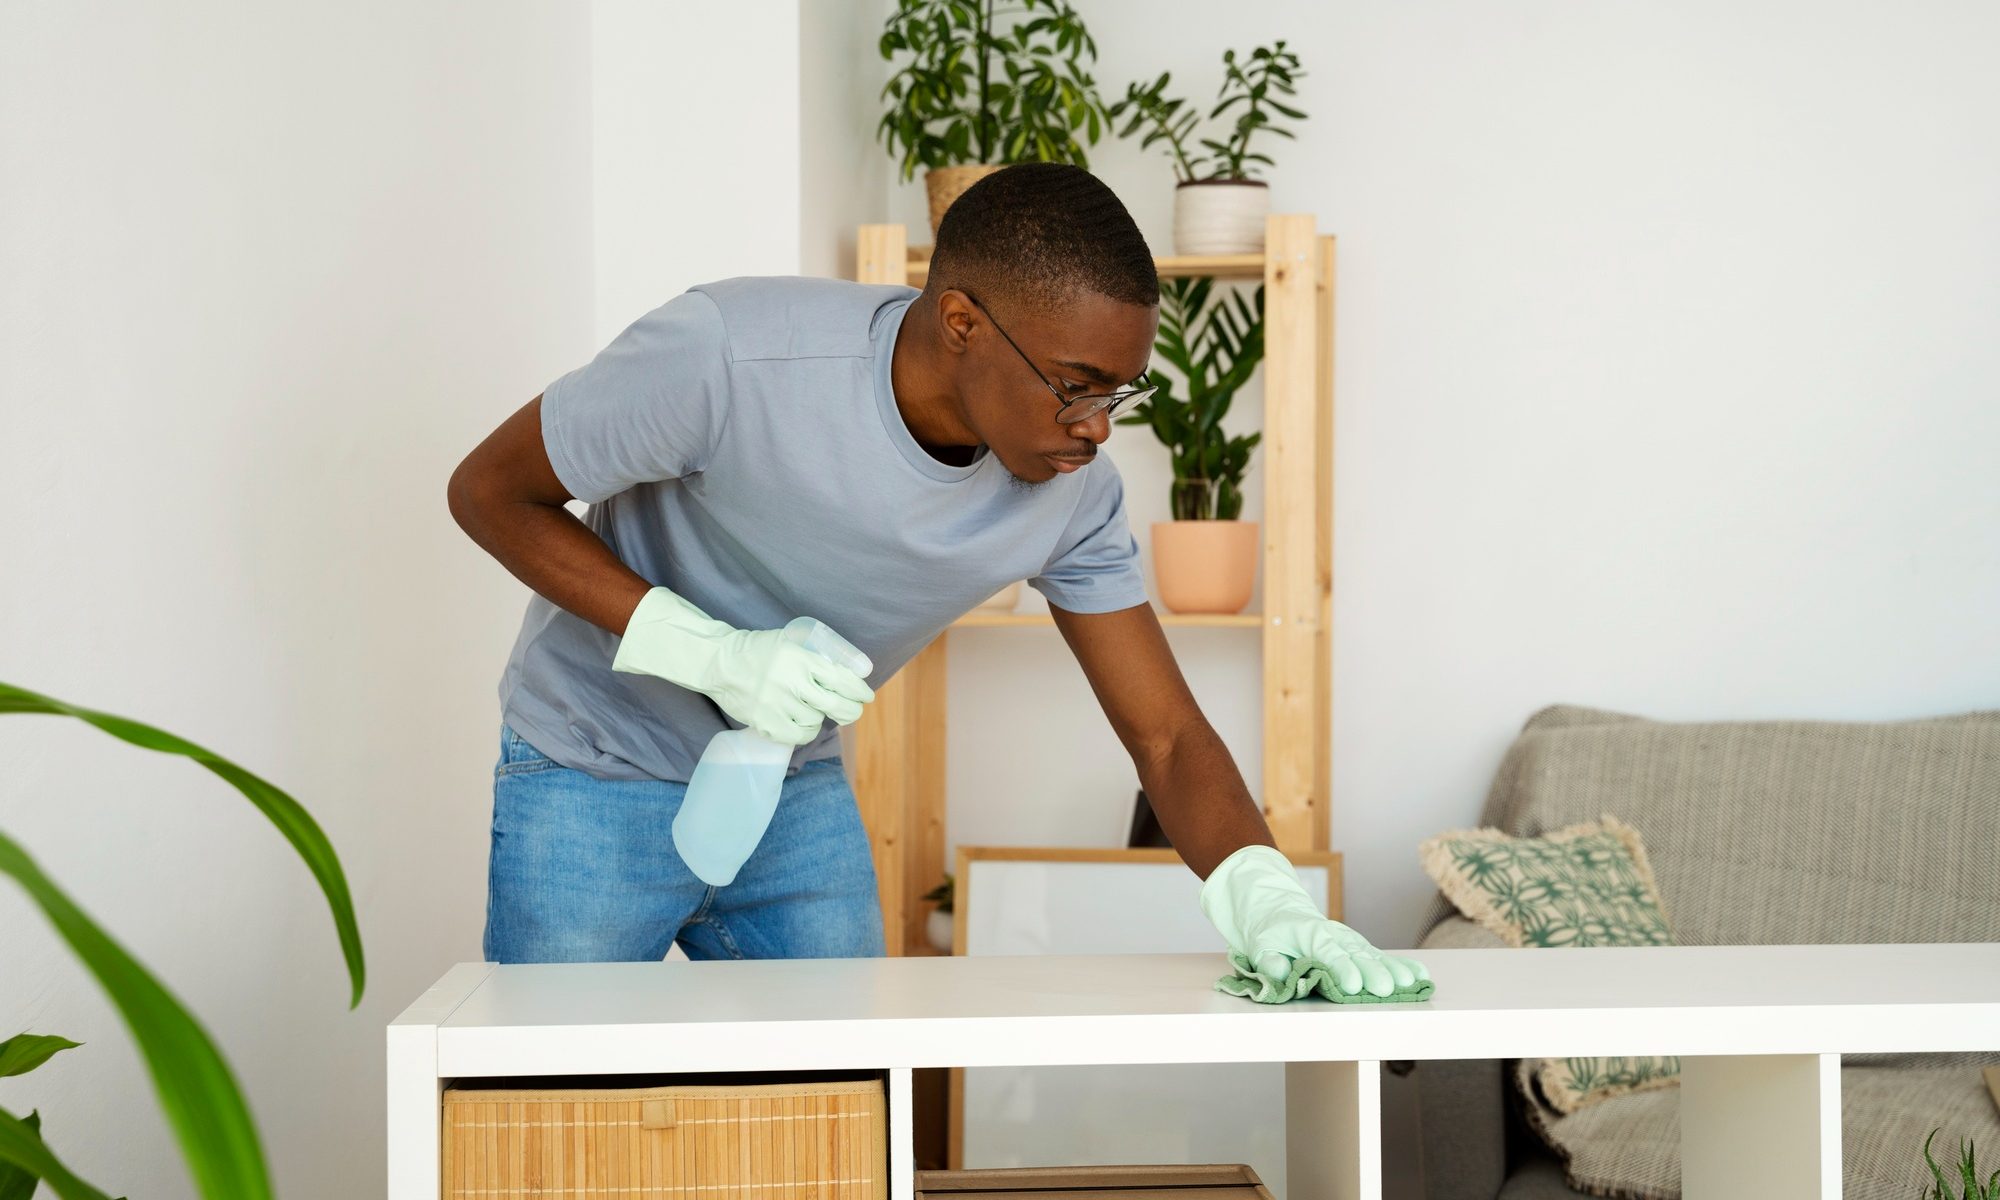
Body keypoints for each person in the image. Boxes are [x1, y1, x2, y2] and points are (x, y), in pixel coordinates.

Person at [447, 163, 1427, 997]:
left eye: (1119, 390)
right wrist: (711, 654)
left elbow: (1165, 736)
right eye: (1075, 384)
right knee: (544, 1115)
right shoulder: (731, 357)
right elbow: (490, 493)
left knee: (846, 1118)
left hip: (788, 785)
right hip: (588, 763)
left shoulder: (1070, 495)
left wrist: (1266, 899)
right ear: (960, 320)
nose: (1096, 426)